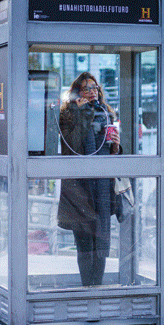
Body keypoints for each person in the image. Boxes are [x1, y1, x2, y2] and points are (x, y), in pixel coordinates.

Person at [57, 72, 121, 287]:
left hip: (102, 188)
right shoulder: (68, 116)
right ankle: (87, 288)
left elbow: (114, 157)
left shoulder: (106, 114)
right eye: (87, 88)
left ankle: (97, 288)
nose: (93, 91)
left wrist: (116, 146)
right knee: (84, 245)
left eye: (95, 88)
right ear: (77, 93)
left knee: (102, 244)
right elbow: (72, 146)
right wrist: (83, 113)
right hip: (79, 191)